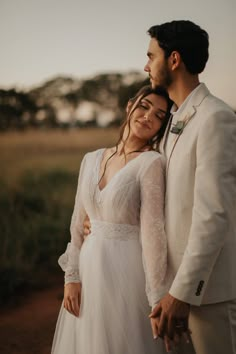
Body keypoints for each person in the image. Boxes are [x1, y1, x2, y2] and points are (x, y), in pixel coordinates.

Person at [51, 85, 187, 354]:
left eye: (160, 116)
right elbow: (78, 224)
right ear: (129, 106)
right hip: (89, 271)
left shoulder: (150, 163)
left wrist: (157, 297)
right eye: (144, 106)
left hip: (128, 272)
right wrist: (71, 277)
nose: (148, 117)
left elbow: (153, 233)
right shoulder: (90, 159)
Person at [143, 20, 236, 354]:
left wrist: (182, 292)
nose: (146, 66)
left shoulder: (215, 118)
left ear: (174, 60)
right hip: (170, 291)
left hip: (206, 294)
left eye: (151, 56)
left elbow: (213, 214)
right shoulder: (171, 121)